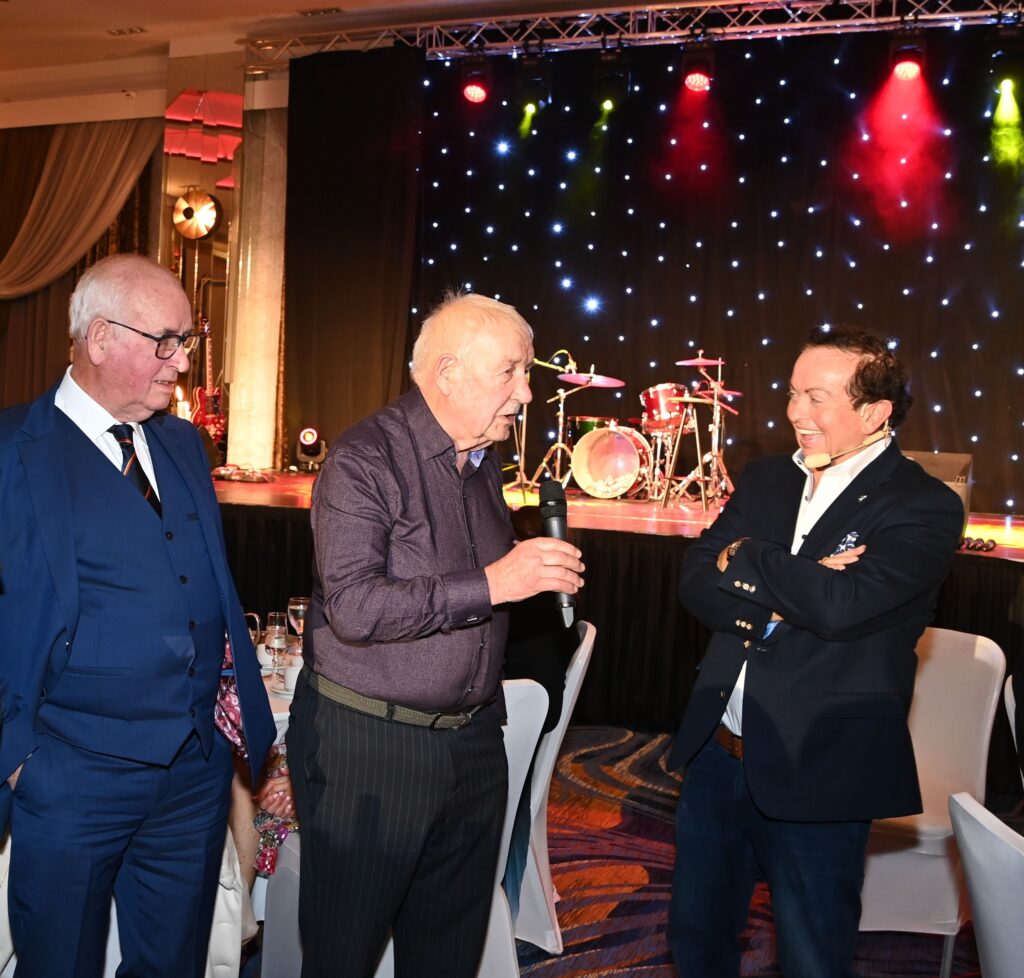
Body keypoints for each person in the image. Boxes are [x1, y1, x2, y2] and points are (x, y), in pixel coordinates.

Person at [288, 291, 585, 978]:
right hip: (372, 748)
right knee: (343, 955)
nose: (528, 392)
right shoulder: (364, 461)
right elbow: (356, 609)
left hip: (473, 747)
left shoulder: (481, 465)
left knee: (448, 955)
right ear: (449, 374)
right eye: (512, 371)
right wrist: (495, 584)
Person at [0, 254, 276, 977]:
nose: (182, 361)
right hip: (70, 773)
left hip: (190, 773)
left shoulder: (184, 443)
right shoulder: (9, 453)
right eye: (166, 341)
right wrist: (20, 759)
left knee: (172, 965)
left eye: (188, 339)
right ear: (99, 339)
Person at [667, 326, 964, 978]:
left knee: (812, 956)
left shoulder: (925, 506)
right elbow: (694, 581)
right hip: (718, 754)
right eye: (794, 393)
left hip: (820, 766)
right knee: (696, 940)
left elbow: (842, 609)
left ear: (874, 412)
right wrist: (803, 582)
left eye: (816, 397)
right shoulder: (768, 478)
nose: (795, 412)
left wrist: (747, 558)